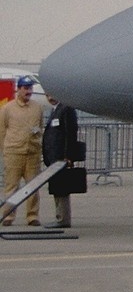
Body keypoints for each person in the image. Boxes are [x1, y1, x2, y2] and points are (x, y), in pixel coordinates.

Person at [1, 78, 46, 226]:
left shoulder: (37, 108)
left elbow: (39, 127)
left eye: (30, 88)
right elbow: (2, 130)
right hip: (14, 152)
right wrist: (4, 149)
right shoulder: (8, 108)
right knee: (12, 186)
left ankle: (32, 216)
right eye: (26, 88)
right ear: (18, 89)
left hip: (32, 153)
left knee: (32, 186)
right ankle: (8, 215)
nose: (29, 91)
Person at [42, 95, 80, 228]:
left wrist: (68, 155)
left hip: (61, 157)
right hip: (53, 158)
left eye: (52, 94)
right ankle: (59, 216)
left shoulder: (66, 109)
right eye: (47, 95)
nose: (50, 97)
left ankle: (63, 219)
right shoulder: (55, 110)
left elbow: (71, 133)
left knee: (61, 189)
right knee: (56, 188)